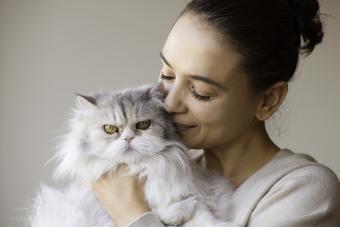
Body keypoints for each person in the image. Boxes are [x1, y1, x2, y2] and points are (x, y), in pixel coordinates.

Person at [92, 0, 340, 226]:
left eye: (200, 92)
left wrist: (132, 215)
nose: (169, 103)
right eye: (167, 75)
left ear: (268, 100)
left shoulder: (305, 190)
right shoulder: (166, 168)